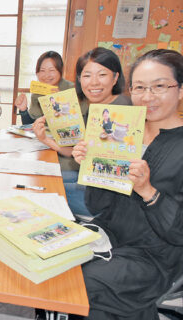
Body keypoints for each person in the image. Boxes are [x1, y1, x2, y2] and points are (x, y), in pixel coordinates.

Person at [72, 49, 183, 319]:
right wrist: (93, 166)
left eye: (160, 86)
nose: (147, 96)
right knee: (51, 261)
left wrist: (148, 191)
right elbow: (96, 205)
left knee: (82, 286)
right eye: (140, 87)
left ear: (180, 90)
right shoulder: (123, 133)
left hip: (154, 255)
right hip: (109, 235)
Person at [32, 47, 131, 217]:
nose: (93, 82)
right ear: (79, 79)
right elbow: (75, 152)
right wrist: (45, 140)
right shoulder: (98, 106)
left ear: (115, 77)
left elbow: (112, 173)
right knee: (43, 180)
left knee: (41, 192)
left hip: (109, 200)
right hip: (92, 184)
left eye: (102, 74)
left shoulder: (120, 109)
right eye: (87, 75)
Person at [14, 51, 74, 124]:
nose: (46, 75)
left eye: (51, 70)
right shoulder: (37, 94)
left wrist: (60, 101)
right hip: (43, 135)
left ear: (60, 71)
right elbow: (31, 125)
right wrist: (23, 110)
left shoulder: (72, 89)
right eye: (42, 70)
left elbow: (76, 126)